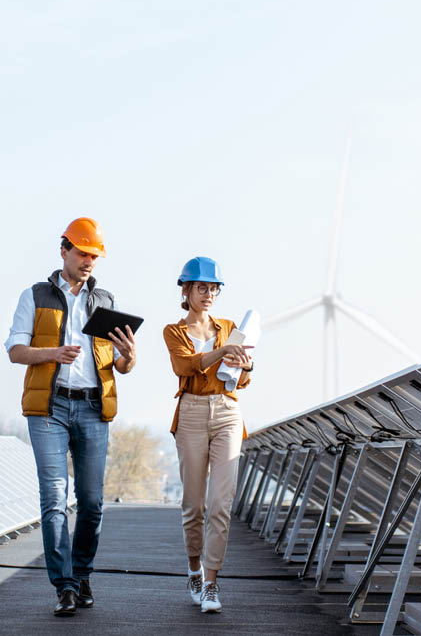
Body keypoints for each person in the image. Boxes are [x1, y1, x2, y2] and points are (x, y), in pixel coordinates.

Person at [5, 217, 137, 617]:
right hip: (50, 407)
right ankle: (63, 585)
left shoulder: (106, 301)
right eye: (82, 253)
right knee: (55, 499)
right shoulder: (35, 295)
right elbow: (14, 350)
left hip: (94, 407)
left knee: (93, 502)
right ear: (64, 250)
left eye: (94, 255)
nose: (89, 261)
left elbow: (119, 363)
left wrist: (129, 357)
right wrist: (52, 354)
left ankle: (82, 575)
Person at [162, 256, 253, 613]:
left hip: (228, 412)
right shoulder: (174, 331)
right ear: (186, 290)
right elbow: (184, 365)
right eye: (202, 287)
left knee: (221, 504)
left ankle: (212, 583)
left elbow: (242, 380)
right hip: (192, 413)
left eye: (213, 288)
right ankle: (193, 569)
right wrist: (221, 352)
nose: (209, 294)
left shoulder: (229, 327)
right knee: (194, 505)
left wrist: (245, 366)